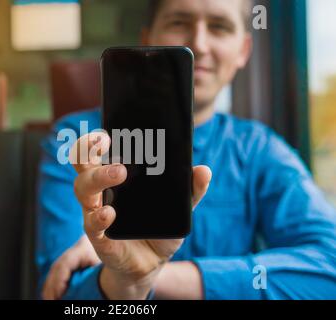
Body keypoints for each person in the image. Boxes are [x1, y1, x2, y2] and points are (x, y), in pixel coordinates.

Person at [36, 0, 336, 300]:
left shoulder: (259, 149)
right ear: (146, 40)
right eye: (179, 22)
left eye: (219, 27)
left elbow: (330, 266)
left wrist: (159, 278)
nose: (199, 44)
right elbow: (58, 293)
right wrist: (124, 282)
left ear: (243, 50)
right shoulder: (79, 140)